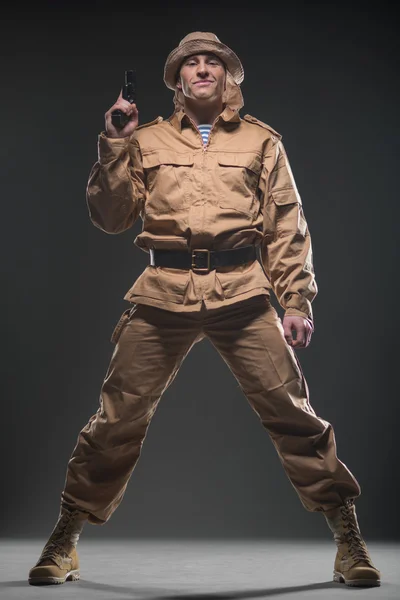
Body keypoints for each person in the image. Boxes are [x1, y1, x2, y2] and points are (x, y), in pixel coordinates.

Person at [28, 31, 380, 588]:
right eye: (190, 63)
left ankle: (348, 540)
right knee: (117, 418)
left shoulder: (263, 143)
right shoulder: (143, 139)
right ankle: (65, 538)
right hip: (163, 289)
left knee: (293, 414)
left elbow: (287, 226)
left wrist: (295, 300)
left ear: (229, 76)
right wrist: (114, 143)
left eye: (212, 61)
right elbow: (112, 217)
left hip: (242, 290)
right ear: (177, 80)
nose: (201, 68)